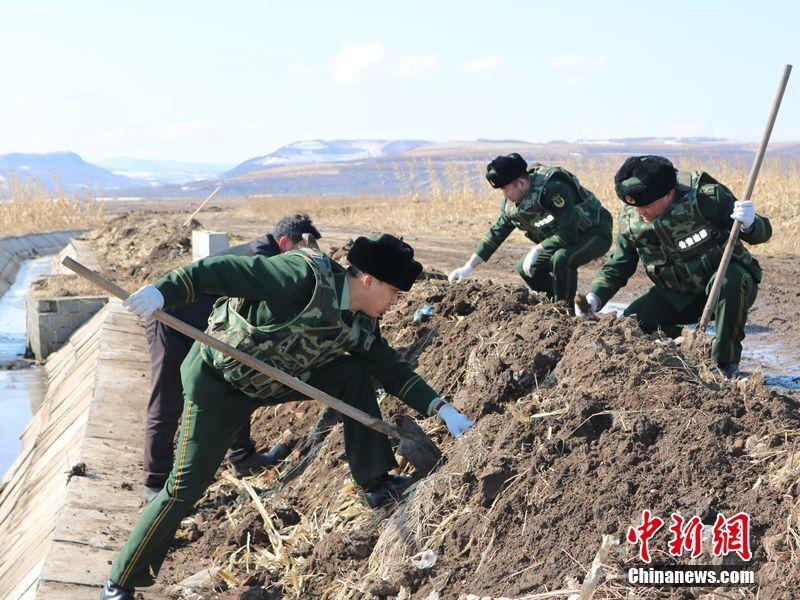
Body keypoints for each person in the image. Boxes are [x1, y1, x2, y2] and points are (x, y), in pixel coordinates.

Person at [100, 234, 474, 599]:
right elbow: (221, 271)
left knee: (354, 372)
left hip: (274, 380)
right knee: (183, 489)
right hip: (218, 383)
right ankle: (119, 584)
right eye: (394, 292)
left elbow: (392, 369)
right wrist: (164, 290)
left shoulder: (361, 325)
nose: (396, 302)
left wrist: (441, 408)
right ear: (369, 280)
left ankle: (374, 482)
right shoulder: (302, 276)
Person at [141, 214, 321, 502]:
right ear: (285, 243)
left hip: (206, 326)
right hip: (171, 320)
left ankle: (243, 456)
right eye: (302, 251)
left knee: (237, 380)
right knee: (167, 399)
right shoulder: (263, 261)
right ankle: (154, 481)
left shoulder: (271, 255)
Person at [576, 155, 772, 377]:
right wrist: (595, 297)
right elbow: (618, 266)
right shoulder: (631, 221)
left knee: (730, 280)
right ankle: (683, 347)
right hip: (675, 295)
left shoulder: (705, 198)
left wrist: (751, 223)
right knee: (633, 325)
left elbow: (763, 233)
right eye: (635, 205)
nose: (640, 211)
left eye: (646, 204)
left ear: (668, 193)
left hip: (725, 288)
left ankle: (724, 364)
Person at [449, 153, 612, 309]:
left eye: (506, 190)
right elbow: (497, 232)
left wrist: (537, 249)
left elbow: (568, 234)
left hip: (595, 232)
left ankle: (565, 309)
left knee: (562, 258)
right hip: (567, 236)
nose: (505, 196)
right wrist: (468, 266)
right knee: (526, 268)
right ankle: (557, 302)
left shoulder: (553, 189)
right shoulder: (513, 202)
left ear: (521, 183)